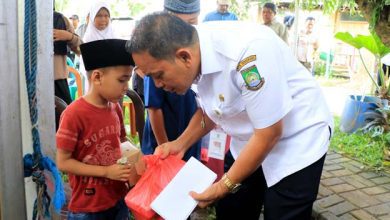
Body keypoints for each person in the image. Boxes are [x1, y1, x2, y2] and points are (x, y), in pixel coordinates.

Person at [128, 12, 333, 220]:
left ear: (184, 57)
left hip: (295, 139)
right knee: (232, 210)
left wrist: (222, 187)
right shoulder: (195, 51)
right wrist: (180, 144)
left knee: (282, 213)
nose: (157, 85)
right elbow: (213, 109)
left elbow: (269, 133)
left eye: (158, 75)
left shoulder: (247, 55)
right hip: (249, 138)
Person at [56, 39, 134, 219]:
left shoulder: (115, 108)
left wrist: (138, 158)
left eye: (128, 80)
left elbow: (122, 141)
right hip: (88, 207)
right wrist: (106, 172)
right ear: (97, 77)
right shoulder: (74, 114)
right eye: (122, 80)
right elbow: (63, 162)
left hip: (118, 198)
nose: (126, 88)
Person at [140, 0, 202, 162]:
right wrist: (165, 146)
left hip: (189, 133)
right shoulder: (157, 60)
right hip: (167, 137)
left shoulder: (198, 54)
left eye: (192, 23)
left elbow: (208, 112)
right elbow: (154, 108)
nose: (185, 33)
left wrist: (186, 142)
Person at [81, 2, 116, 93]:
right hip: (95, 80)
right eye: (99, 16)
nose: (103, 19)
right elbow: (86, 64)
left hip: (112, 78)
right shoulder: (89, 38)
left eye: (106, 16)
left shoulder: (113, 34)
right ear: (93, 17)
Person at [53, 11, 82, 105]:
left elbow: (81, 49)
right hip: (30, 79)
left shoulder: (60, 19)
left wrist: (69, 36)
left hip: (58, 81)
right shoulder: (22, 17)